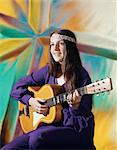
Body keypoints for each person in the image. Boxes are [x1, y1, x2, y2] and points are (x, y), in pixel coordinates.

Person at [1, 29, 95, 150]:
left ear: (70, 47)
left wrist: (75, 107)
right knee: (8, 149)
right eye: (51, 45)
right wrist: (31, 101)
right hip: (48, 127)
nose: (55, 49)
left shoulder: (82, 76)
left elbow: (80, 123)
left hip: (75, 132)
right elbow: (17, 87)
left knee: (37, 138)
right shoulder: (49, 71)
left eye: (60, 44)